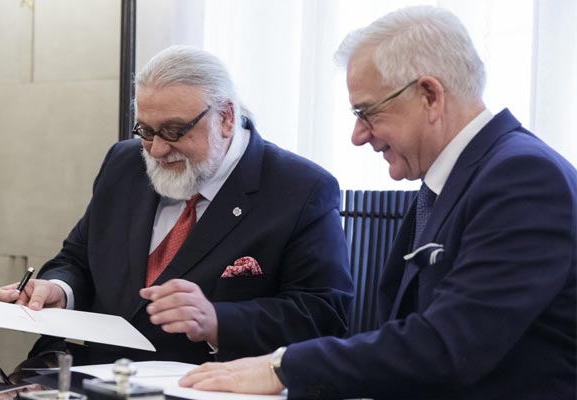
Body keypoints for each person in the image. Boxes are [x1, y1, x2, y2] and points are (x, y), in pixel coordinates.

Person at [180, 6, 576, 399]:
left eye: (367, 112)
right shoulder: (454, 180)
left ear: (430, 96)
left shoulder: (523, 177)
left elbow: (450, 344)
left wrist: (282, 367)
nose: (357, 136)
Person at [0, 45, 354, 365]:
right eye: (146, 130)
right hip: (100, 377)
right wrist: (59, 290)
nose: (157, 149)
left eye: (174, 131)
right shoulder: (124, 164)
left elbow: (323, 314)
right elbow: (78, 259)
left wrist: (217, 321)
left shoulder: (300, 188)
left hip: (210, 385)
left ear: (226, 117)